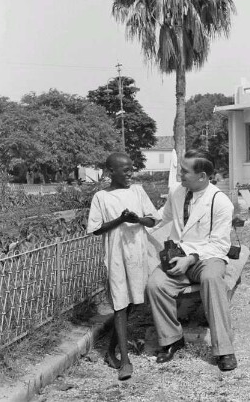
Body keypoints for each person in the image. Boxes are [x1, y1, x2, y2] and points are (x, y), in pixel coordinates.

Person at [147, 150, 237, 371]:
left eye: (185, 171)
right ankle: (172, 339)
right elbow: (162, 218)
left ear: (202, 176)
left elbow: (220, 245)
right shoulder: (177, 192)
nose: (180, 175)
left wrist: (191, 259)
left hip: (207, 257)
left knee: (212, 280)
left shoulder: (220, 202)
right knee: (155, 285)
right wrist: (138, 223)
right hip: (178, 254)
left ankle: (224, 348)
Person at [87, 152, 161, 380]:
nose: (130, 173)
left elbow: (152, 219)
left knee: (130, 304)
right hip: (117, 254)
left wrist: (136, 219)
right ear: (111, 172)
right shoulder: (101, 197)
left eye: (131, 169)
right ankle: (125, 362)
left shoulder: (137, 191)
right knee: (120, 303)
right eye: (125, 170)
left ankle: (110, 350)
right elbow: (97, 228)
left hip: (137, 253)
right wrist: (120, 220)